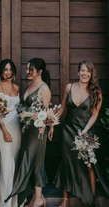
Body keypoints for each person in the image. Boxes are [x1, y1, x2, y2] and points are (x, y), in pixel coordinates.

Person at [55, 60, 109, 207]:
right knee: (66, 163)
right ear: (78, 72)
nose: (85, 73)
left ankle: (90, 199)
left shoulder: (96, 92)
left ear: (91, 74)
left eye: (88, 71)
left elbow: (94, 115)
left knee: (88, 165)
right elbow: (62, 108)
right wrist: (50, 120)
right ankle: (65, 200)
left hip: (85, 132)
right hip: (68, 130)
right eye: (82, 70)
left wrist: (84, 131)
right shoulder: (69, 87)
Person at [7, 58, 53, 207]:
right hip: (27, 131)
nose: (27, 72)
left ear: (39, 72)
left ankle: (37, 198)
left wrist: (31, 116)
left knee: (34, 160)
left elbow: (45, 114)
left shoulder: (44, 88)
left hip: (38, 131)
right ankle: (37, 197)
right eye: (27, 69)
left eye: (30, 69)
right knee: (31, 160)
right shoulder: (29, 85)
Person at [0, 59, 21, 207]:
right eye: (5, 69)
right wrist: (4, 130)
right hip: (4, 128)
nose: (8, 72)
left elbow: (18, 110)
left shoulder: (16, 87)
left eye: (10, 69)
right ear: (1, 72)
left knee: (14, 164)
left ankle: (14, 201)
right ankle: (4, 203)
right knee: (6, 164)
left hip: (17, 128)